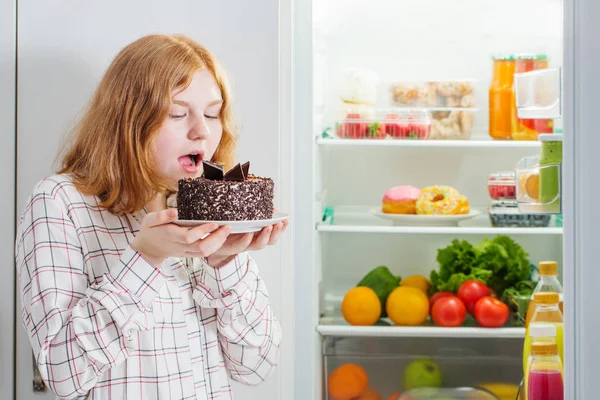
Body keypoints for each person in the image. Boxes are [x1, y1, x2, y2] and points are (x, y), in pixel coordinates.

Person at [15, 34, 286, 400]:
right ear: (128, 120)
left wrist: (224, 263)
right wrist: (146, 258)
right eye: (177, 113)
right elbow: (64, 376)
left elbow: (256, 366)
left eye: (211, 113)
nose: (202, 130)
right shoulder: (60, 203)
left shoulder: (208, 208)